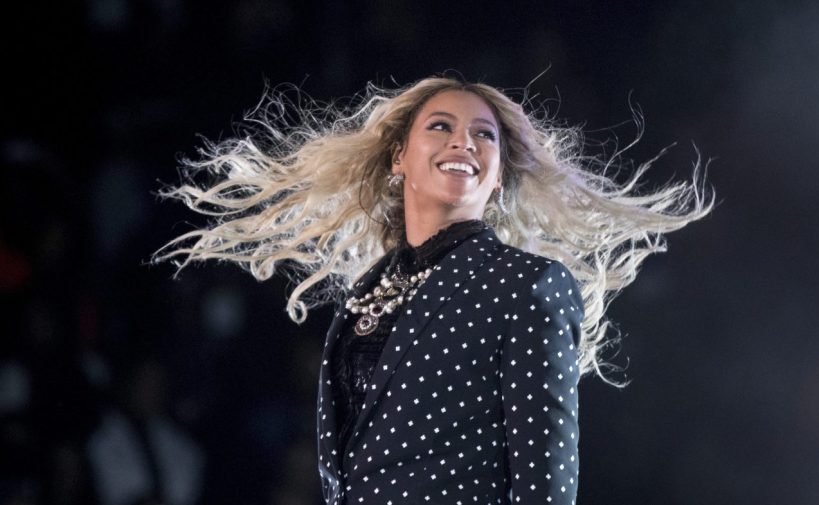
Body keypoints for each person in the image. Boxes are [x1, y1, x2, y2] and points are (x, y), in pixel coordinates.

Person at [155, 76, 712, 504]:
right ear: (400, 157)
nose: (463, 141)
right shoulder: (367, 293)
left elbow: (546, 477)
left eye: (483, 134)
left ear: (497, 176)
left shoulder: (527, 284)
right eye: (440, 126)